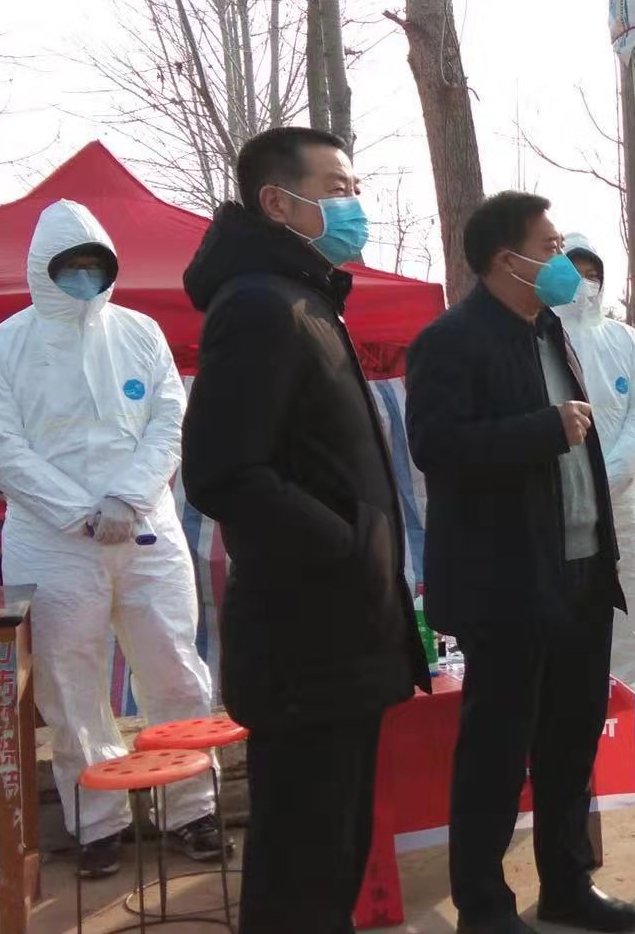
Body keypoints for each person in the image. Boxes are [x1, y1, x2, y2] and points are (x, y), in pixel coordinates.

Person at [180, 127, 428, 933]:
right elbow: (222, 471)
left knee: (333, 855)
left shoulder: (307, 298)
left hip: (344, 631)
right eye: (337, 188)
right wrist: (346, 546)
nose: (355, 205)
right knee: (301, 868)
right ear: (278, 203)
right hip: (305, 641)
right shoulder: (259, 305)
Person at [407, 192, 635, 934]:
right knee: (498, 751)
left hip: (581, 568)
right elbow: (436, 447)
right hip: (508, 581)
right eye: (549, 246)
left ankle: (568, 884)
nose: (563, 260)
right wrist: (541, 430)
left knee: (571, 739)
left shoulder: (552, 331)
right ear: (506, 260)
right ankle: (483, 906)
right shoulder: (451, 341)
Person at [0, 199, 224, 880]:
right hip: (50, 541)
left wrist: (127, 499)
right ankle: (98, 822)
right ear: (41, 268)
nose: (83, 276)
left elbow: (168, 422)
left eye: (94, 264)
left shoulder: (140, 332)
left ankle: (191, 808)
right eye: (69, 265)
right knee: (70, 683)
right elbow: (0, 447)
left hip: (145, 531)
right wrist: (80, 513)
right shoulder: (4, 345)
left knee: (174, 667)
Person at [554, 233, 635, 755]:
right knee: (564, 605)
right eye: (573, 271)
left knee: (630, 610)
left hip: (620, 503)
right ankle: (567, 718)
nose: (584, 282)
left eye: (592, 272)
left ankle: (628, 715)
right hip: (560, 500)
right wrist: (580, 482)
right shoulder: (540, 335)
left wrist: (611, 473)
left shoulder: (624, 339)